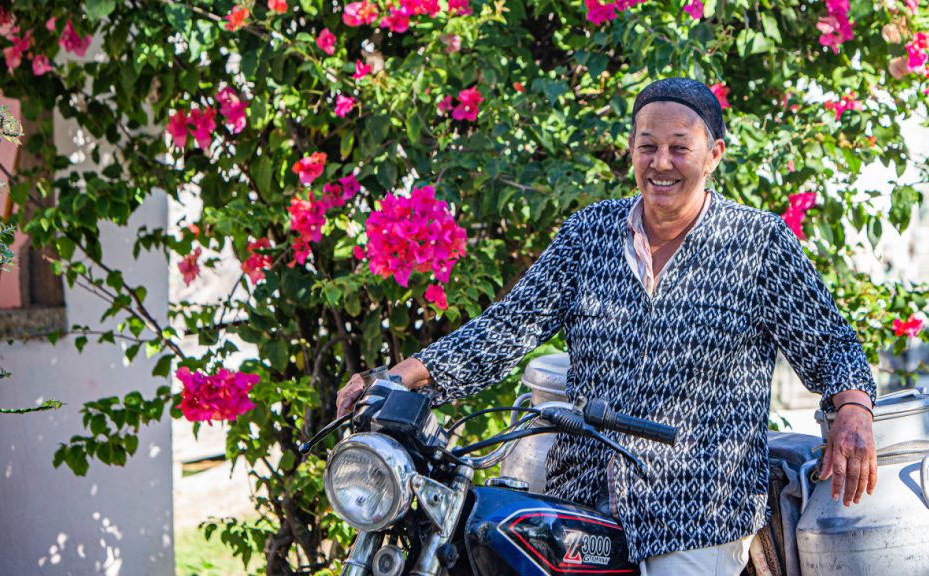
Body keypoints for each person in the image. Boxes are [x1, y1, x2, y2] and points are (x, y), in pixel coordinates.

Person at [335, 77, 877, 576]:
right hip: (581, 491)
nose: (661, 162)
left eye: (679, 147)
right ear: (632, 150)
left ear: (713, 155)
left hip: (697, 506)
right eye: (648, 146)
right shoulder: (589, 233)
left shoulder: (758, 242)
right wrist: (398, 377)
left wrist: (853, 409)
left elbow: (831, 343)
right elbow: (509, 325)